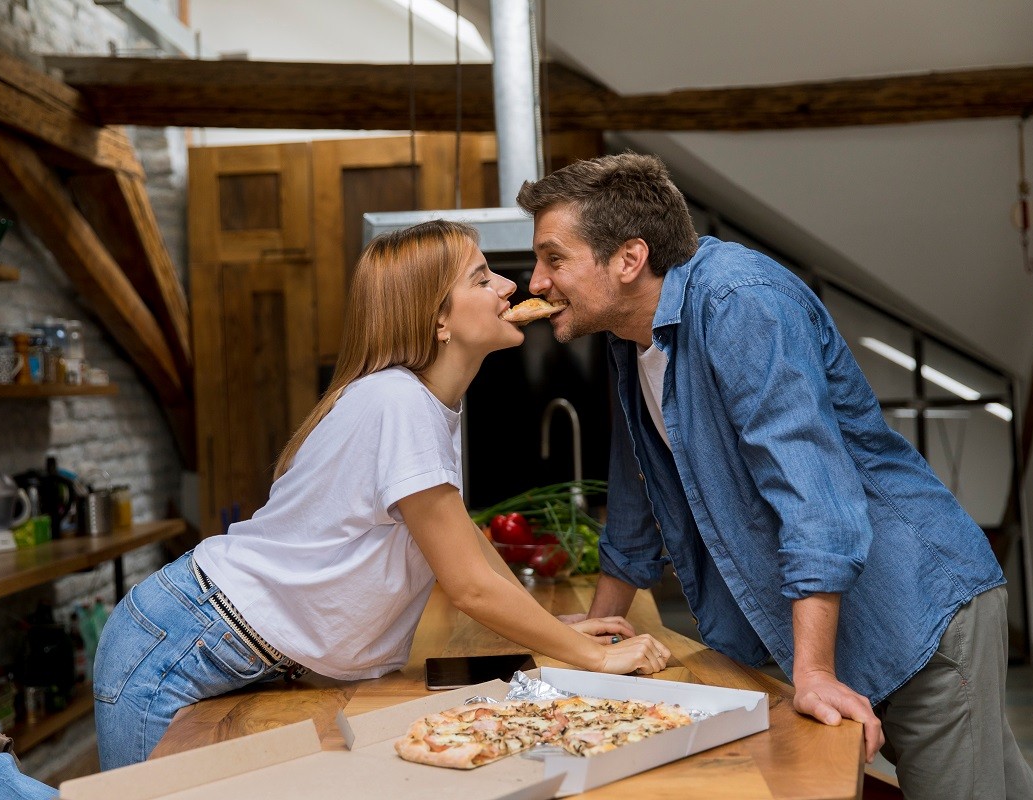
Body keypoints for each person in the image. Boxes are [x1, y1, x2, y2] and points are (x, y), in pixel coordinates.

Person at [515, 153, 1033, 800]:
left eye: (553, 258)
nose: (535, 281)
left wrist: (812, 672)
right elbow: (636, 500)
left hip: (917, 611)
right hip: (859, 618)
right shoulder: (630, 338)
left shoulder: (741, 303)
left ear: (628, 259)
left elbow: (812, 496)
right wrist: (592, 651)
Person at [93, 220, 672, 770]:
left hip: (223, 645)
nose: (508, 285)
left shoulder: (428, 404)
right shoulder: (398, 403)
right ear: (438, 321)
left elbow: (462, 538)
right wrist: (594, 658)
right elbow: (468, 586)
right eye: (481, 277)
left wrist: (553, 631)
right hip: (180, 644)